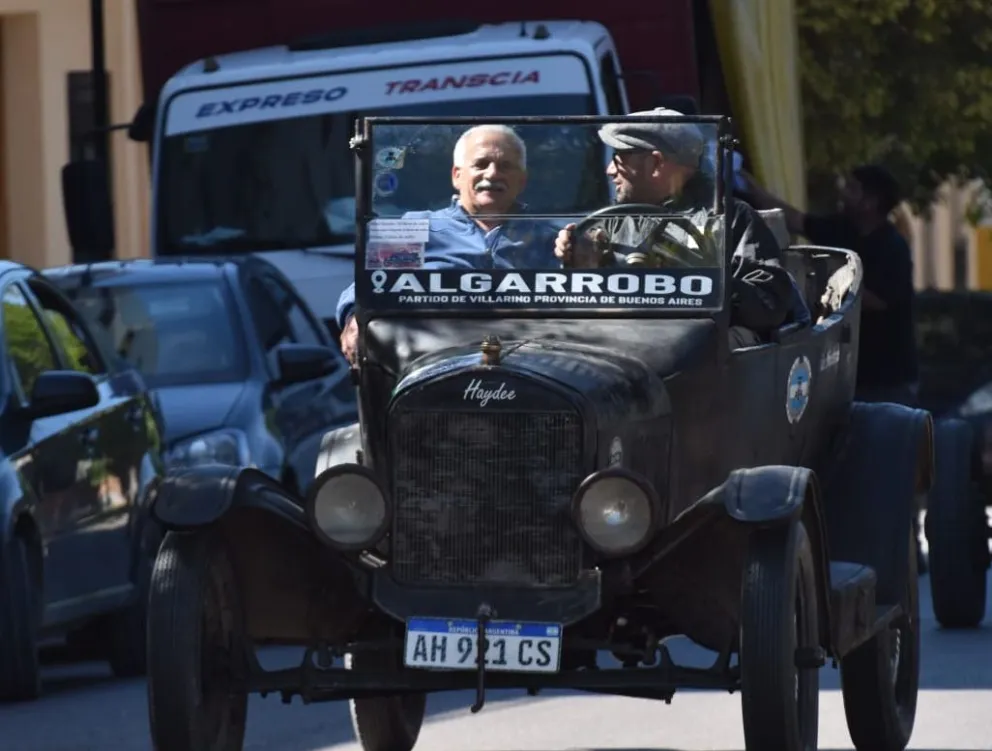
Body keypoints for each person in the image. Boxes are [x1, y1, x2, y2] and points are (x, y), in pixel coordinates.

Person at [553, 109, 810, 347]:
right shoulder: (611, 222)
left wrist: (694, 275)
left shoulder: (728, 218)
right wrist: (579, 264)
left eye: (619, 157)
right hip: (624, 347)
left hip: (694, 358)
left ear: (655, 163)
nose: (610, 170)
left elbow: (768, 303)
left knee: (714, 344)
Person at [337, 123, 559, 363]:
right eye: (481, 164)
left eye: (505, 166)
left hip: (533, 368)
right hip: (431, 367)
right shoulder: (414, 228)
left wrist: (584, 260)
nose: (493, 173)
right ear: (457, 175)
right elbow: (370, 285)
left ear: (522, 181)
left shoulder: (552, 239)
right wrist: (354, 319)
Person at [741, 164, 919, 404]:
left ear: (871, 201)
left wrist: (820, 284)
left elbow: (876, 301)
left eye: (852, 188)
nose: (843, 193)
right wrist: (752, 188)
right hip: (850, 376)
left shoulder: (892, 247)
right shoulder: (842, 229)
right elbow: (795, 220)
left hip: (886, 382)